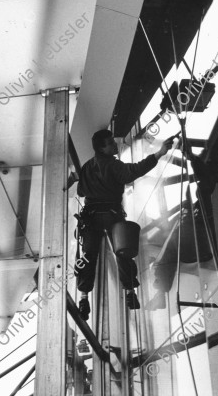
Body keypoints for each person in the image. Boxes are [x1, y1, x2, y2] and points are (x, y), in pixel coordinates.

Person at [75, 129, 174, 320]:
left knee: (88, 258)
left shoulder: (87, 167)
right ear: (102, 148)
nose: (115, 145)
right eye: (111, 143)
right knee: (123, 253)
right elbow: (133, 171)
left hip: (91, 217)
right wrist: (159, 154)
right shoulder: (113, 165)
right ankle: (130, 293)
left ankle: (84, 297)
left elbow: (80, 191)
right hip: (112, 216)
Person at [150, 136, 218, 322]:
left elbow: (207, 178)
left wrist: (192, 158)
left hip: (212, 221)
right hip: (202, 221)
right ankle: (161, 291)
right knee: (173, 248)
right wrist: (192, 157)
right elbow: (205, 177)